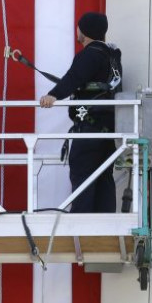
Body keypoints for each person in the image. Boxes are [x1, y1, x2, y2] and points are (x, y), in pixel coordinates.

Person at [39, 12, 122, 213]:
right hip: (108, 131)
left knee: (83, 176)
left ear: (84, 31)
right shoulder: (112, 57)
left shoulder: (90, 54)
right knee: (103, 178)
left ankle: (81, 225)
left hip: (89, 130)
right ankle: (105, 226)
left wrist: (53, 95)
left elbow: (73, 78)